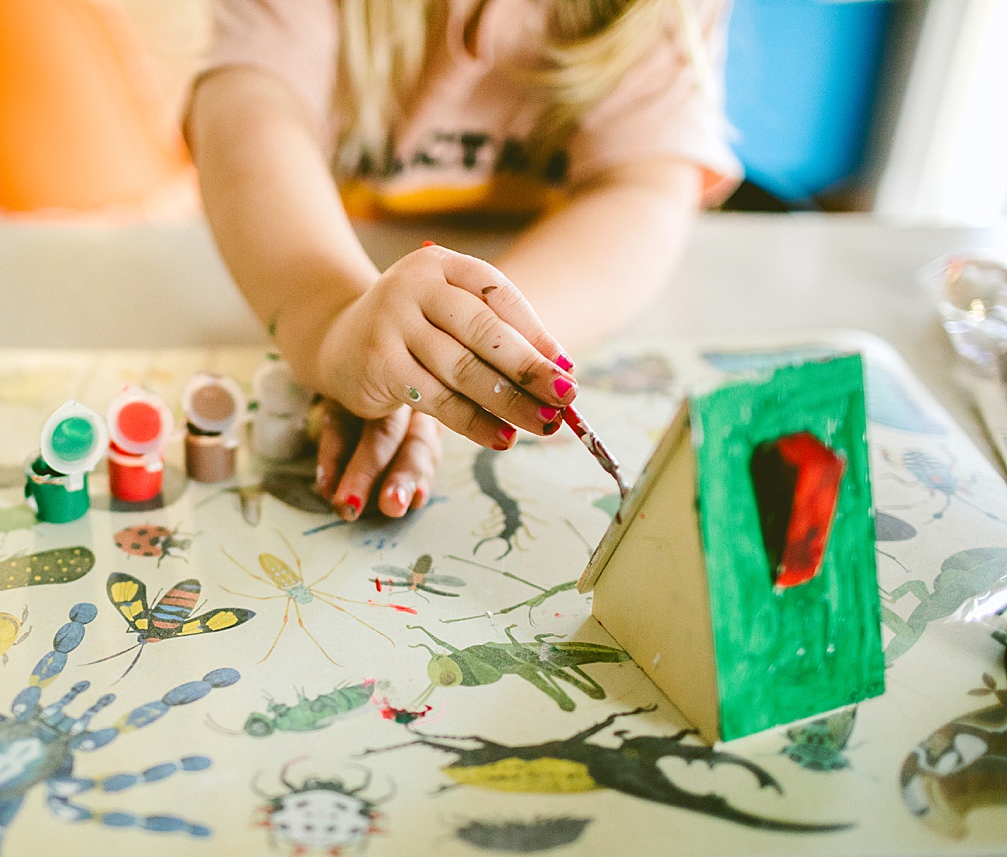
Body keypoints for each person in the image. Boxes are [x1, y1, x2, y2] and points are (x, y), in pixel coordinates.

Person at [186, 0, 740, 522]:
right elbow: (247, 105)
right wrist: (335, 328)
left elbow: (643, 188)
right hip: (326, 259)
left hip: (551, 281)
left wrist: (466, 352)